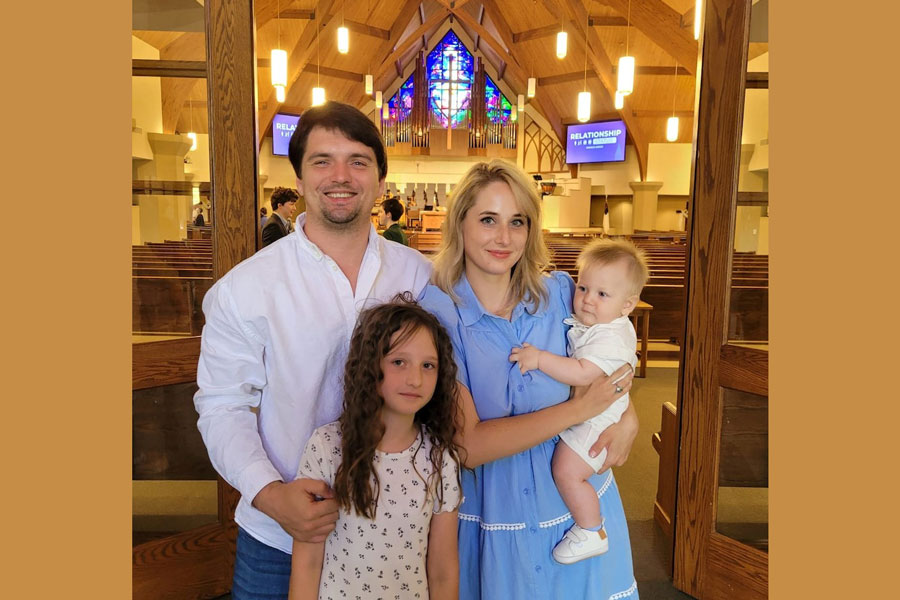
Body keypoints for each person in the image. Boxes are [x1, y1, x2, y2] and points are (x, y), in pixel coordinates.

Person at [194, 101, 434, 598]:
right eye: (322, 160)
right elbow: (222, 406)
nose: (340, 175)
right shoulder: (246, 288)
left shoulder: (419, 275)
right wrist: (269, 492)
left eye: (358, 161)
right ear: (299, 180)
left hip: (394, 530)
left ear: (381, 181)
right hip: (282, 533)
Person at [418, 159, 640, 599]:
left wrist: (628, 414)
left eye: (516, 222)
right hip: (496, 513)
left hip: (577, 508)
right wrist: (580, 409)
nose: (503, 238)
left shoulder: (561, 292)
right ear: (460, 223)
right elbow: (471, 446)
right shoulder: (438, 313)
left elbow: (607, 360)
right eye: (487, 220)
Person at [289, 298, 462, 600]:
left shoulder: (440, 458)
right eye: (399, 362)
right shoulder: (327, 448)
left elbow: (443, 570)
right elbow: (307, 563)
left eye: (428, 365)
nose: (415, 378)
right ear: (371, 365)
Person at [509, 238, 648, 564]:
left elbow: (584, 373)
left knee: (567, 471)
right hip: (597, 412)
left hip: (597, 420)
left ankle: (590, 530)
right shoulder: (604, 323)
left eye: (602, 294)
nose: (586, 300)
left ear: (627, 305)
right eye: (583, 288)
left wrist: (540, 359)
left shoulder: (611, 337)